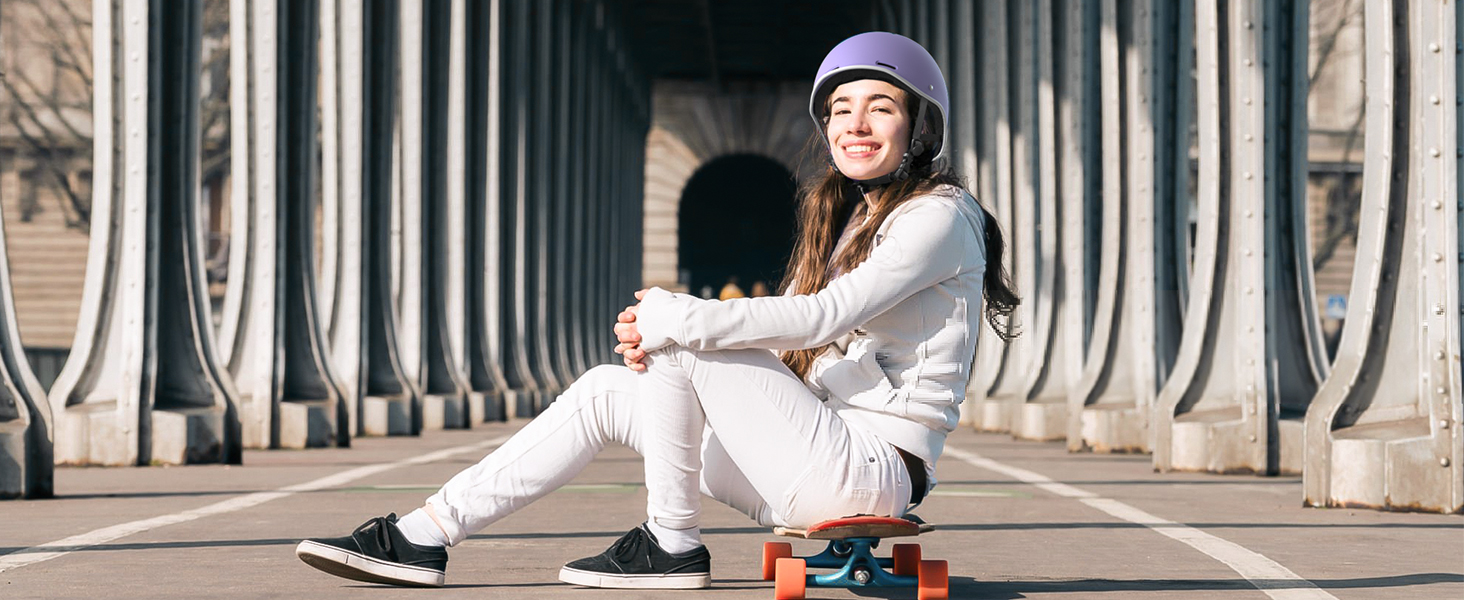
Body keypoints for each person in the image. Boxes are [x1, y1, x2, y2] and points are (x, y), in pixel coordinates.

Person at [294, 31, 1018, 590]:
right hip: (818, 454)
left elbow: (826, 317)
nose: (854, 124)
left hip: (870, 468)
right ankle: (424, 533)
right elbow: (808, 349)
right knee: (609, 390)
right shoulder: (861, 218)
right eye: (840, 109)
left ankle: (672, 543)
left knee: (681, 334)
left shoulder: (939, 215)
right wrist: (671, 344)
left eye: (880, 107)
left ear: (922, 127)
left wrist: (679, 324)